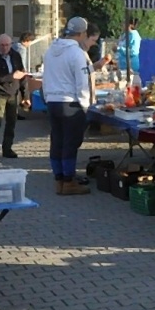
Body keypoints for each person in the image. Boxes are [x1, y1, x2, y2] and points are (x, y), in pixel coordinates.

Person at [43, 17, 95, 195]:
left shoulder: (50, 50)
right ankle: (69, 180)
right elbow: (82, 83)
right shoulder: (77, 53)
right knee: (70, 143)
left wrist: (48, 97)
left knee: (56, 140)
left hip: (53, 101)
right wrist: (85, 104)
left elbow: (46, 76)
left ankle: (59, 179)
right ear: (82, 34)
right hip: (70, 103)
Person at [0, 34, 25, 159]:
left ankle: (8, 148)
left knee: (11, 122)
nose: (5, 48)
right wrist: (12, 76)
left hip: (13, 93)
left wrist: (25, 95)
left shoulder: (15, 55)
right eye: (2, 45)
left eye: (7, 45)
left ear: (11, 44)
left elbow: (22, 75)